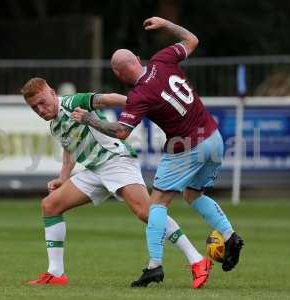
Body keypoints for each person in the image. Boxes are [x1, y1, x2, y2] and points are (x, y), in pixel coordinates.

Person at [72, 16, 244, 287]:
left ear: (118, 74)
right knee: (193, 194)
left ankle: (154, 266)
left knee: (156, 206)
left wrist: (90, 119)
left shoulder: (140, 96)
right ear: (139, 59)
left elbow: (121, 132)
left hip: (187, 146)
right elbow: (192, 40)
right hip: (214, 137)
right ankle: (230, 236)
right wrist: (166, 24)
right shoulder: (162, 59)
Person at [20, 77, 212, 288]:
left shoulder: (72, 102)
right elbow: (69, 148)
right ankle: (55, 273)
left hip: (116, 162)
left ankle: (198, 260)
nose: (39, 109)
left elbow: (106, 99)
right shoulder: (55, 124)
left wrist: (138, 104)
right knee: (50, 205)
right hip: (95, 171)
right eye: (34, 107)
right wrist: (63, 177)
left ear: (53, 93)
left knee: (147, 212)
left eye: (42, 102)